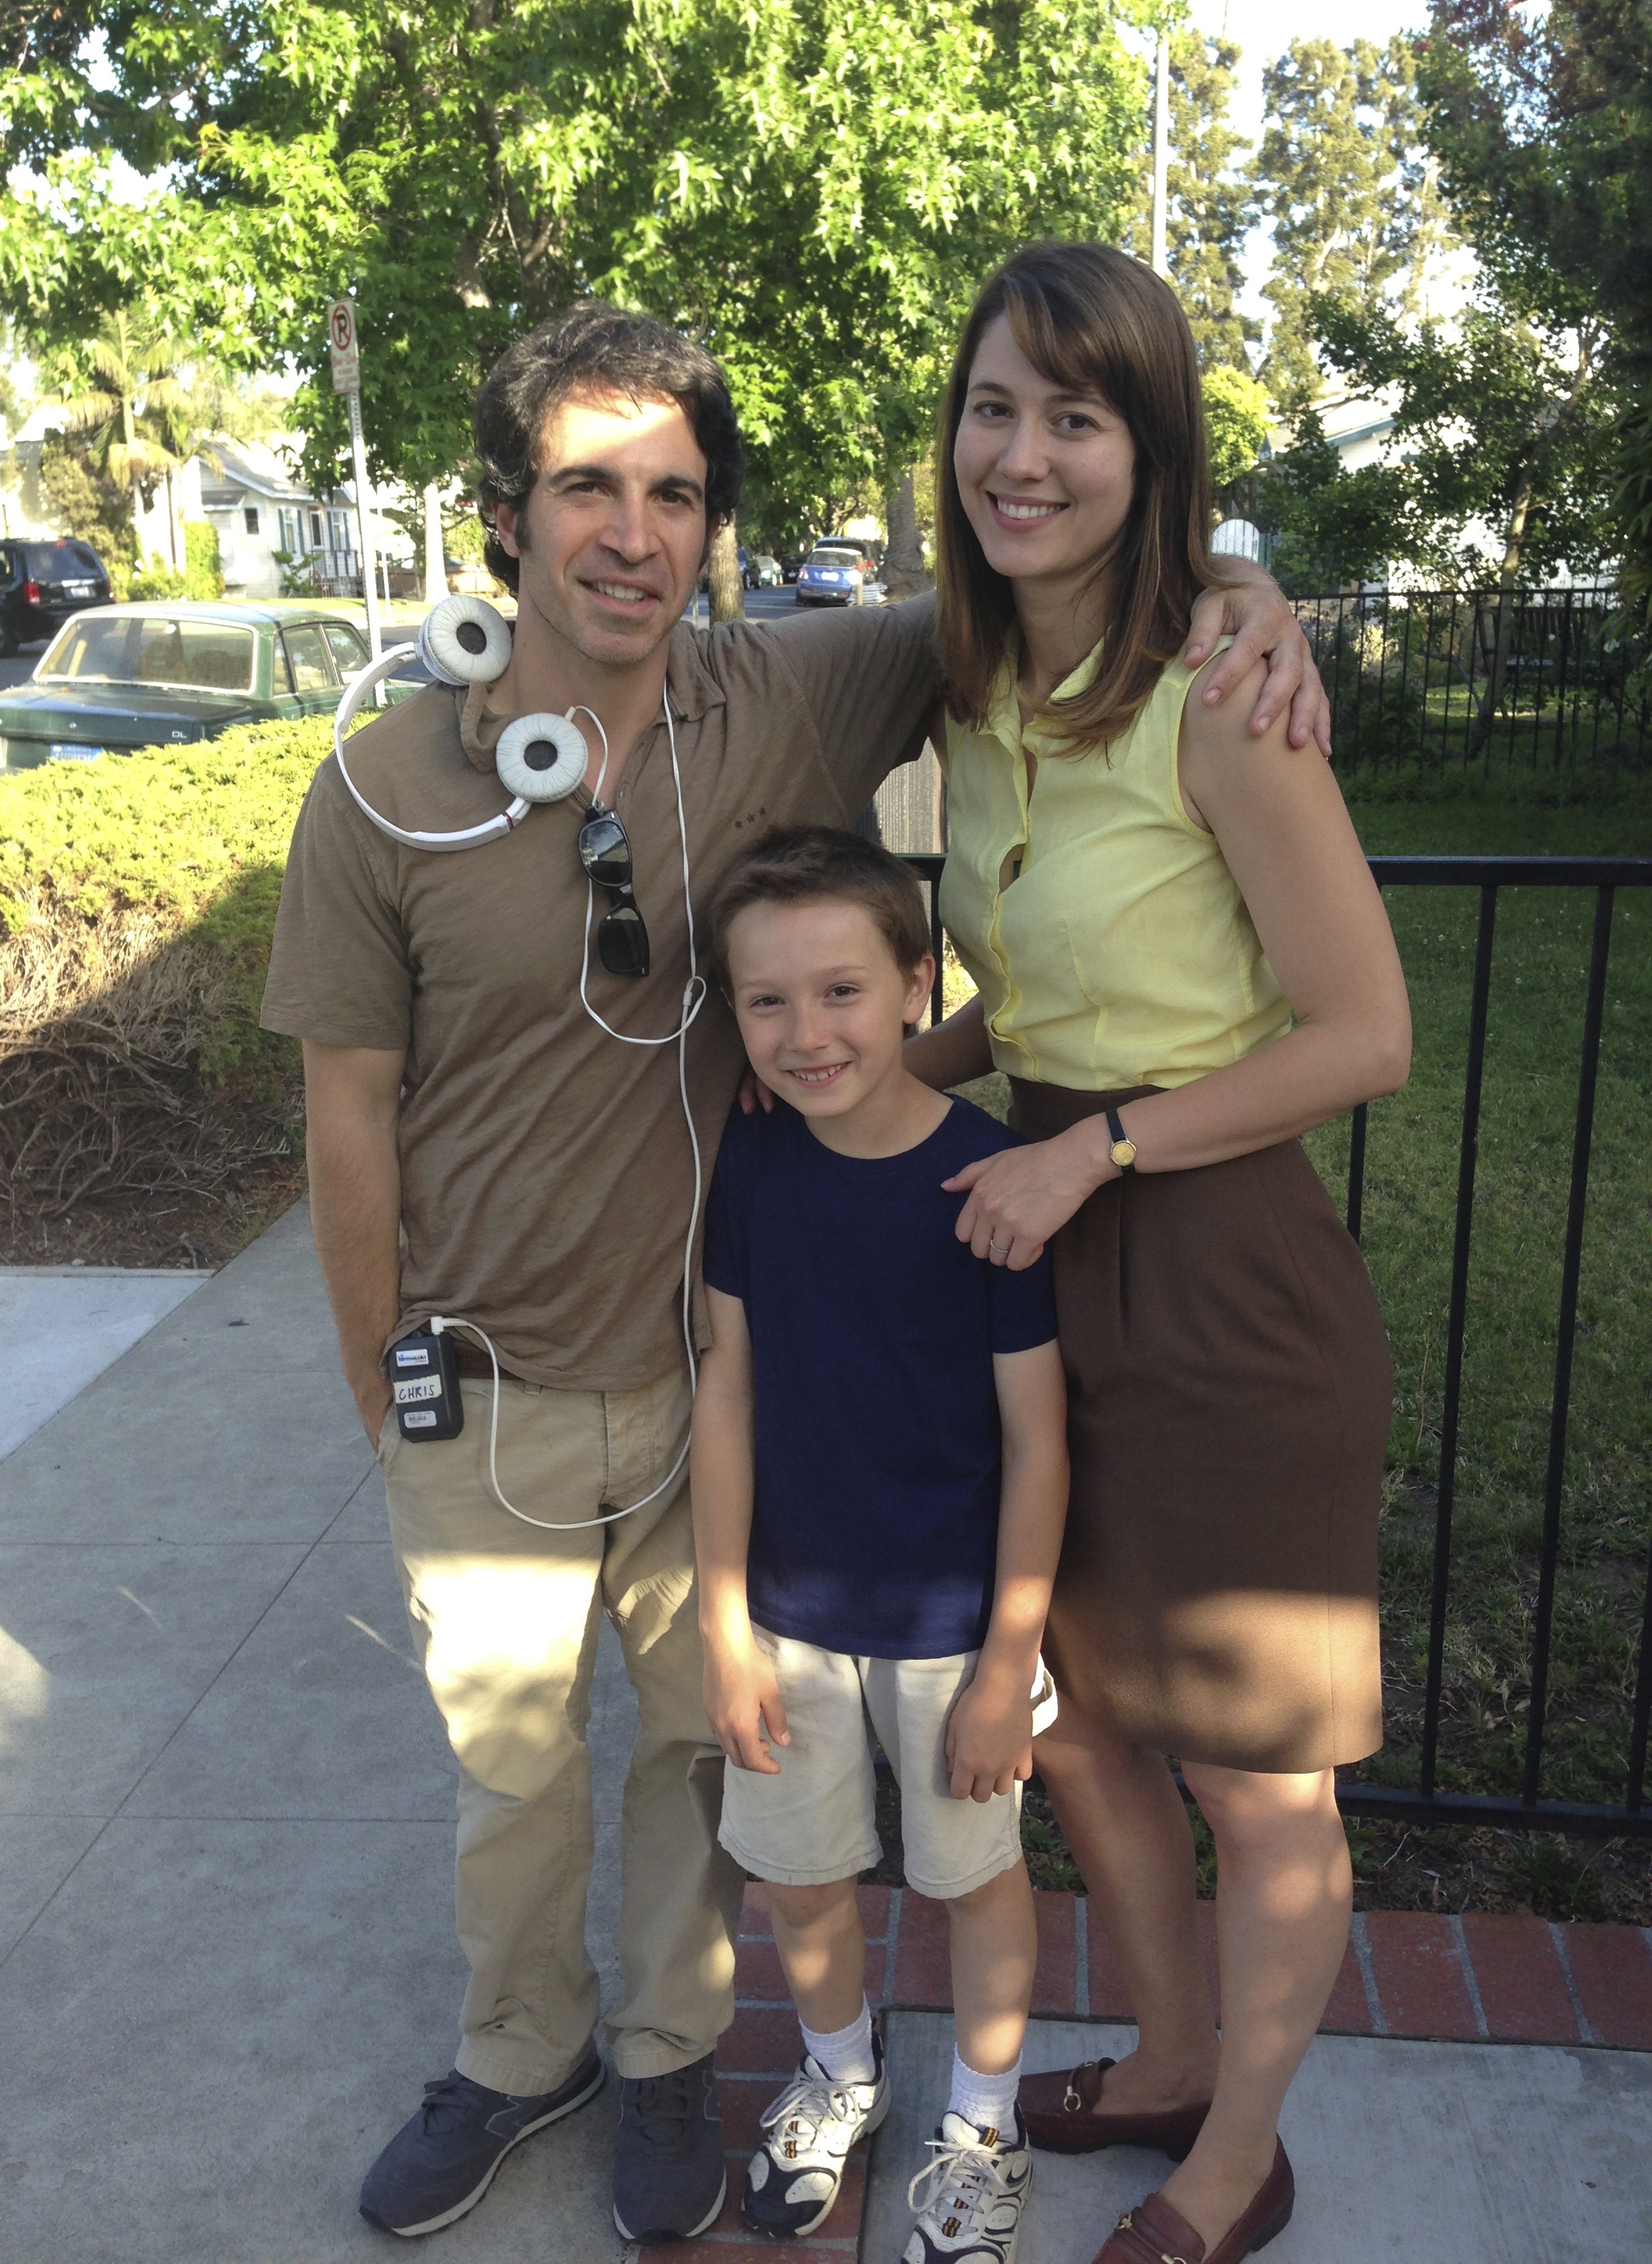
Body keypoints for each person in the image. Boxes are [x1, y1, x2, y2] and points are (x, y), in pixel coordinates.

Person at [258, 293, 1329, 2245]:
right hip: (483, 1381)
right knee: (512, 1777)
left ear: (713, 525)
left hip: (701, 1357)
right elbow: (345, 1117)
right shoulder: (386, 791)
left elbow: (1060, 545)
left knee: (701, 1759)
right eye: (585, 485)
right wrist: (374, 1376)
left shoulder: (792, 693)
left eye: (673, 493)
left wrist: (1246, 583)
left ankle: (674, 2063)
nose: (630, 533)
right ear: (504, 513)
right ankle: (517, 2055)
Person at [901, 242, 1412, 2264]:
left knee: (1262, 1777)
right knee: (1087, 1719)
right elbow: (1029, 998)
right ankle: (1176, 2055)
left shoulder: (1227, 683)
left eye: (1078, 416)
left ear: (1152, 446)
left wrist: (1095, 1148)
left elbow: (1363, 1034)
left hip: (1214, 1266)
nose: (1024, 457)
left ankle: (1236, 2159)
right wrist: (874, 1083)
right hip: (1046, 1239)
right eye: (993, 409)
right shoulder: (981, 680)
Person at [692, 827, 1068, 2263]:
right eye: (767, 1001)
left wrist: (1006, 1665)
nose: (806, 1032)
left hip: (953, 1625)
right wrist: (725, 1630)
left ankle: (983, 2124)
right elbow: (726, 1392)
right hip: (786, 1611)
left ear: (921, 984)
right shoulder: (749, 1163)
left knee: (973, 1879)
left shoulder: (991, 1181)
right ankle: (841, 2076)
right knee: (799, 1882)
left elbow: (1039, 1441)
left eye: (843, 991)